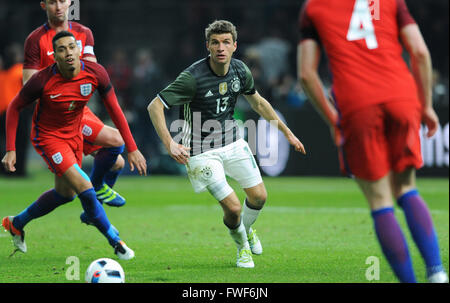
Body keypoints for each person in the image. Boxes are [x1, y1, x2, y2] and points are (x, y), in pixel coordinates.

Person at [298, 0, 448, 283]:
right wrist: (426, 105)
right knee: (406, 187)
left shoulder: (313, 8)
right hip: (401, 95)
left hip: (357, 102)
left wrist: (333, 120)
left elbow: (306, 74)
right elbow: (420, 52)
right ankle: (437, 272)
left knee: (381, 200)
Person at [148, 20, 306, 268]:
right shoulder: (192, 78)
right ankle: (242, 247)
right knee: (233, 208)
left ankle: (246, 229)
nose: (220, 47)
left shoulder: (241, 71)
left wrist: (288, 133)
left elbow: (259, 103)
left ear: (234, 46)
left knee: (259, 197)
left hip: (232, 142)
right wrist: (170, 143)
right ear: (208, 46)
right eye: (215, 43)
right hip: (200, 151)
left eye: (225, 42)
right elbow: (155, 105)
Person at [2, 31, 147, 259]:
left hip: (76, 128)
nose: (68, 52)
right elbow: (14, 107)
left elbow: (115, 110)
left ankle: (16, 223)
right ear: (55, 56)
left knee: (66, 193)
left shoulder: (95, 73)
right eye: (62, 49)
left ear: (79, 50)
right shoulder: (42, 79)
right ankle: (115, 240)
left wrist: (133, 148)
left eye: (72, 47)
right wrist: (11, 149)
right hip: (49, 137)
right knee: (83, 187)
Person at [23, 0, 128, 208]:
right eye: (53, 2)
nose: (59, 7)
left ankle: (96, 192)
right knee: (66, 193)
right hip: (54, 120)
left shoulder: (84, 32)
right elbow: (28, 86)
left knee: (117, 160)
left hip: (79, 112)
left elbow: (93, 71)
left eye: (63, 1)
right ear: (44, 5)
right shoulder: (35, 40)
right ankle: (18, 222)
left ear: (71, 2)